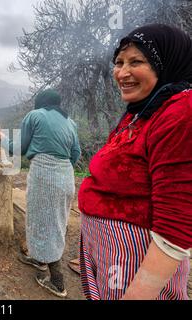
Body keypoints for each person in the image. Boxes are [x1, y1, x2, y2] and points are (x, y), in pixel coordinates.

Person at [78, 24, 192, 300]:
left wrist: (141, 292)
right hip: (113, 252)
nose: (122, 72)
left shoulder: (182, 112)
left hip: (135, 261)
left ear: (165, 63)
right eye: (119, 62)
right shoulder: (143, 111)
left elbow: (177, 222)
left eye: (136, 61)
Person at [0, 89, 81, 297]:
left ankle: (58, 283)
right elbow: (75, 154)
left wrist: (0, 138)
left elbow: (19, 149)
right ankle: (40, 260)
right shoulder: (71, 122)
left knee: (44, 223)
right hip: (66, 176)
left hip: (44, 175)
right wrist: (60, 166)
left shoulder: (35, 115)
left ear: (41, 103)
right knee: (53, 221)